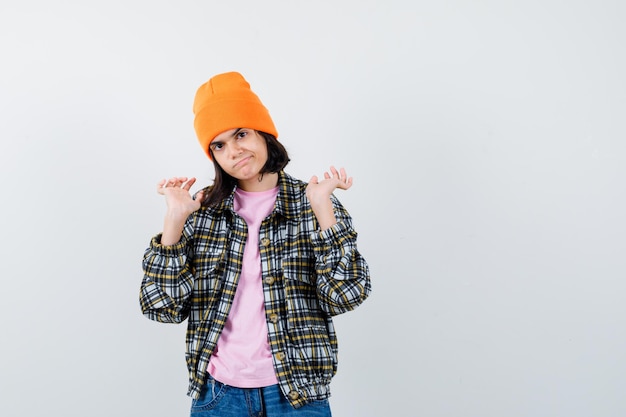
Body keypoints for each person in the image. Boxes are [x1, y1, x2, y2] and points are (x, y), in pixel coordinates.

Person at [139, 71, 371, 417]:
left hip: (297, 393)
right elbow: (162, 308)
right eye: (219, 144)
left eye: (241, 134)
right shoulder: (202, 211)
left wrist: (323, 208)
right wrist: (174, 220)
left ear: (263, 133)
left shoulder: (312, 203)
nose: (234, 151)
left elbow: (346, 295)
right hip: (219, 396)